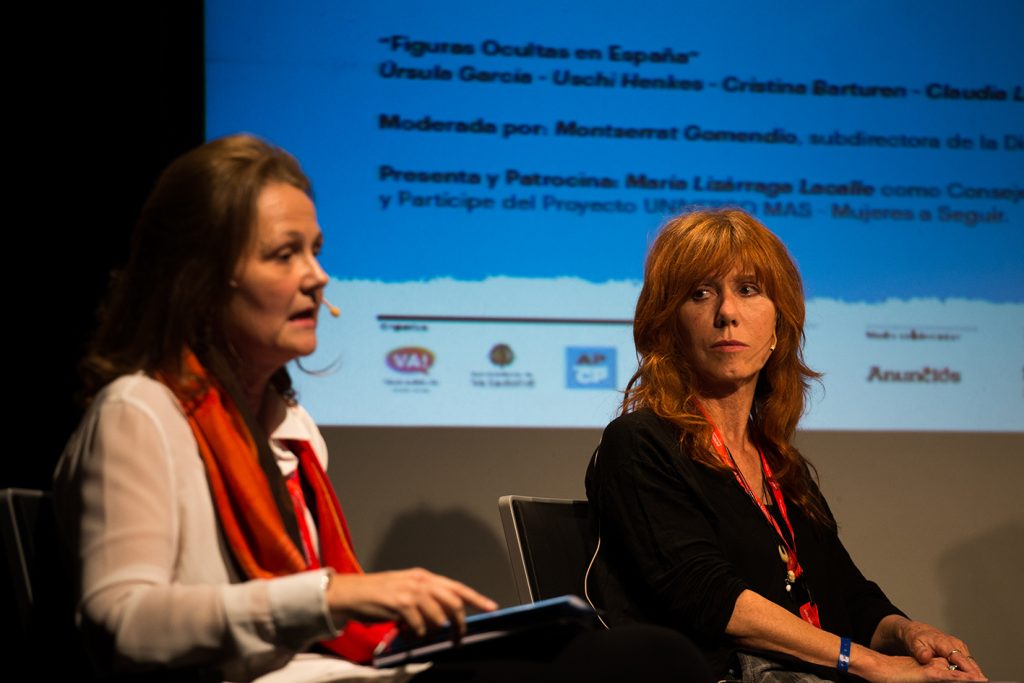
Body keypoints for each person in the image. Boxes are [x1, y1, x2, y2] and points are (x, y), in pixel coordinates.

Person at [55, 134, 713, 683]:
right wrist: (329, 594)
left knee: (645, 653)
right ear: (198, 278)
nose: (318, 275)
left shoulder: (291, 427)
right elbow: (121, 620)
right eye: (285, 254)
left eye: (315, 249)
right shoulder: (141, 411)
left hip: (346, 672)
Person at [583, 209, 987, 682]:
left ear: (778, 326)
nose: (726, 313)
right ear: (669, 327)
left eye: (748, 290)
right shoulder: (640, 443)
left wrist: (906, 634)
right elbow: (714, 601)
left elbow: (846, 595)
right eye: (700, 293)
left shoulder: (779, 464)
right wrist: (873, 664)